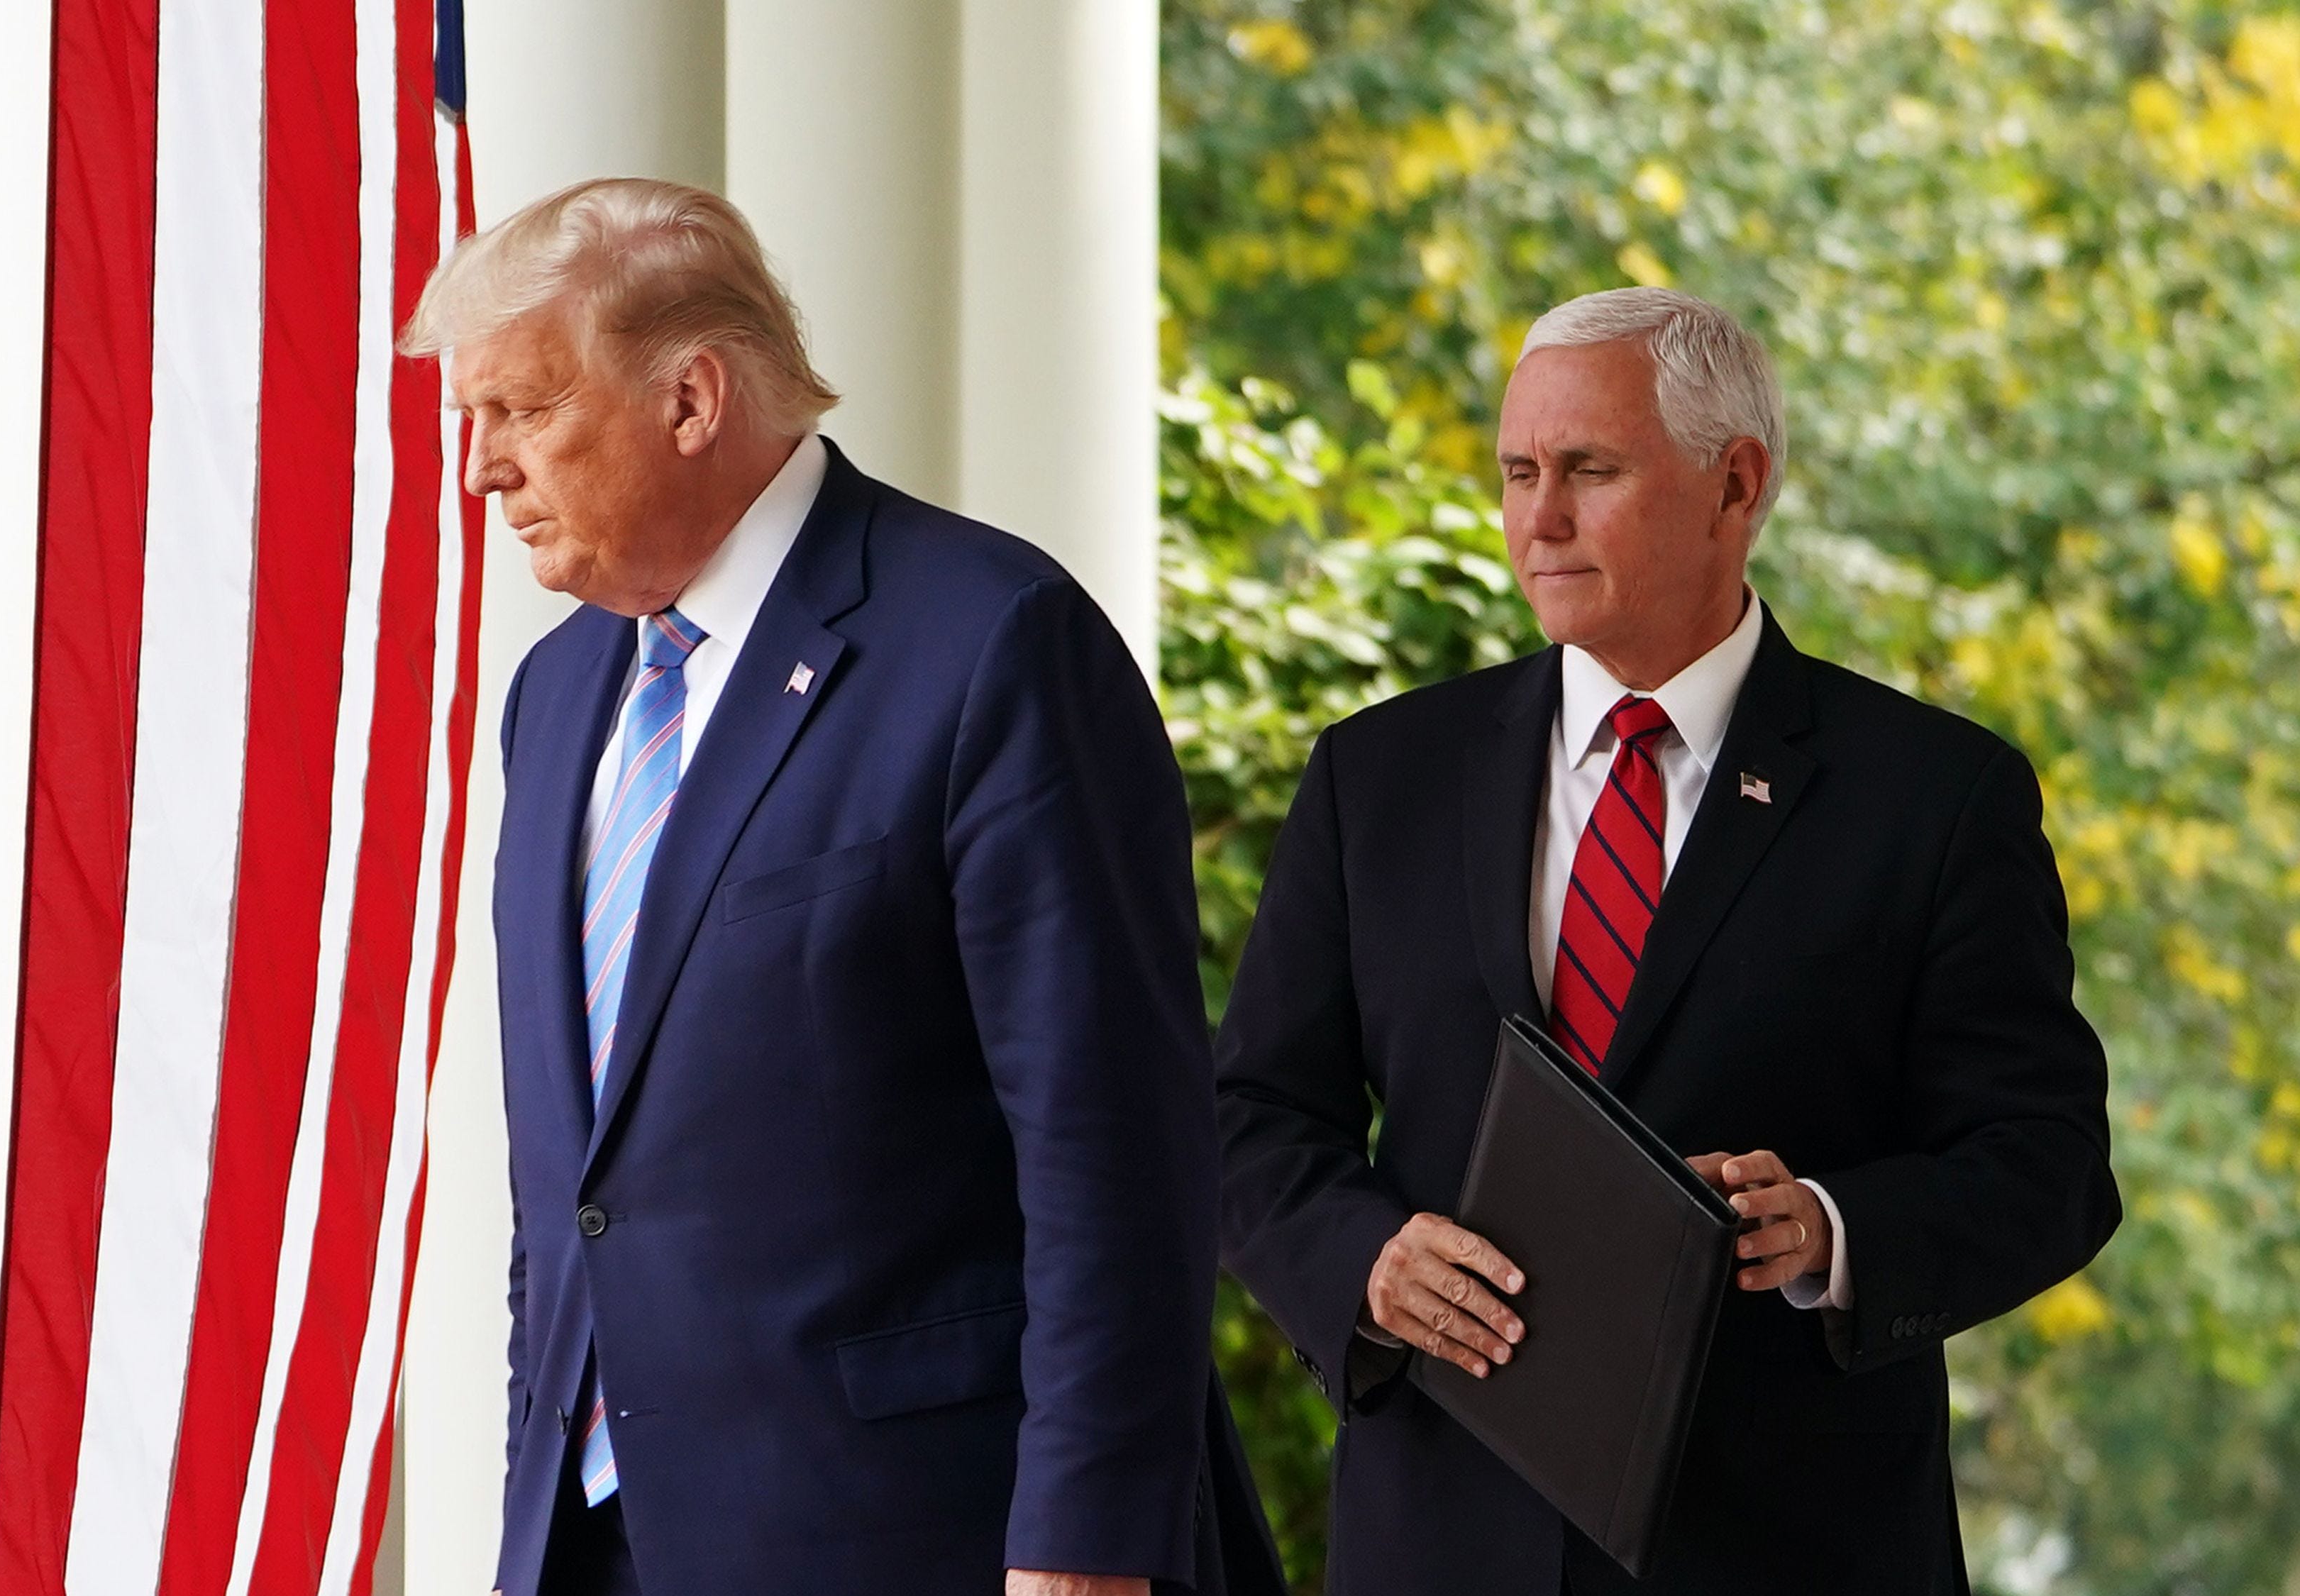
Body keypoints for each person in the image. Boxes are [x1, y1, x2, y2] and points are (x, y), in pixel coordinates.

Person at [406, 178, 1277, 1596]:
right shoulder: (555, 696)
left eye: (522, 412)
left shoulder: (990, 643)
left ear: (691, 399)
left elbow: (1110, 1153)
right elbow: (574, 1185)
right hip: (599, 1548)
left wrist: (1082, 1544)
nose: (481, 470)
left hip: (919, 1536)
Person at [1214, 287, 2120, 1594]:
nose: (1540, 517)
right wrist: (1366, 1260)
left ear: (1734, 484)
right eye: (1520, 471)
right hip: (1442, 1541)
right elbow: (1250, 1117)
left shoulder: (1935, 796)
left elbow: (2049, 1162)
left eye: (1590, 469)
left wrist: (1827, 1226)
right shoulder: (1380, 775)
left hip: (1788, 1543)